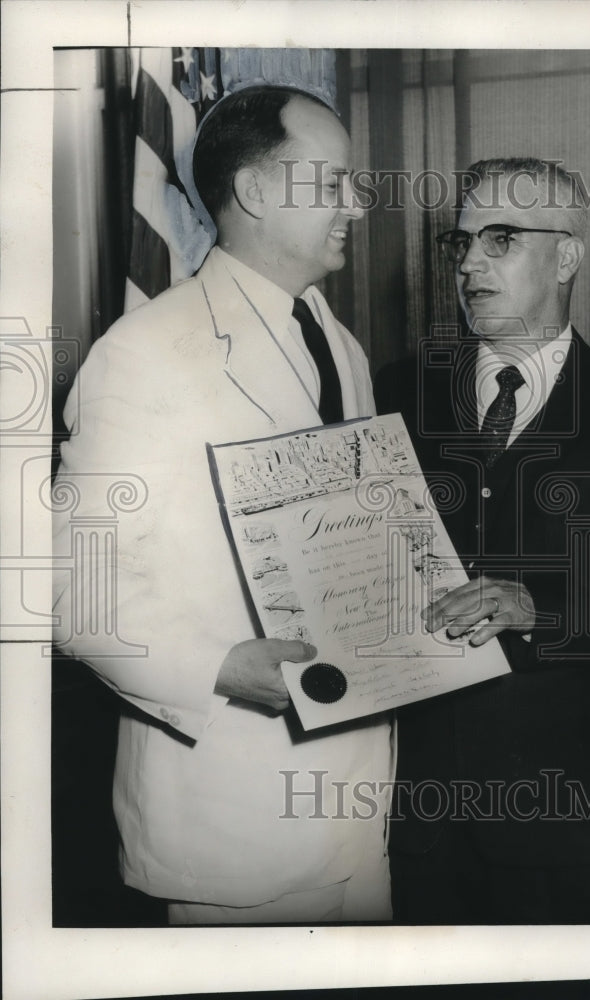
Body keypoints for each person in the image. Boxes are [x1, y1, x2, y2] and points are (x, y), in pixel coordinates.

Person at [52, 85, 393, 925]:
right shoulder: (143, 353)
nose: (356, 204)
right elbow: (72, 592)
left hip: (359, 813)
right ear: (254, 192)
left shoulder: (338, 343)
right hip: (232, 823)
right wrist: (217, 670)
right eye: (333, 182)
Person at [376, 157, 590, 923]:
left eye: (500, 240)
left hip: (568, 821)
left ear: (566, 256)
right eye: (459, 242)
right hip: (418, 816)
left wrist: (539, 607)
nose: (467, 264)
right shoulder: (395, 393)